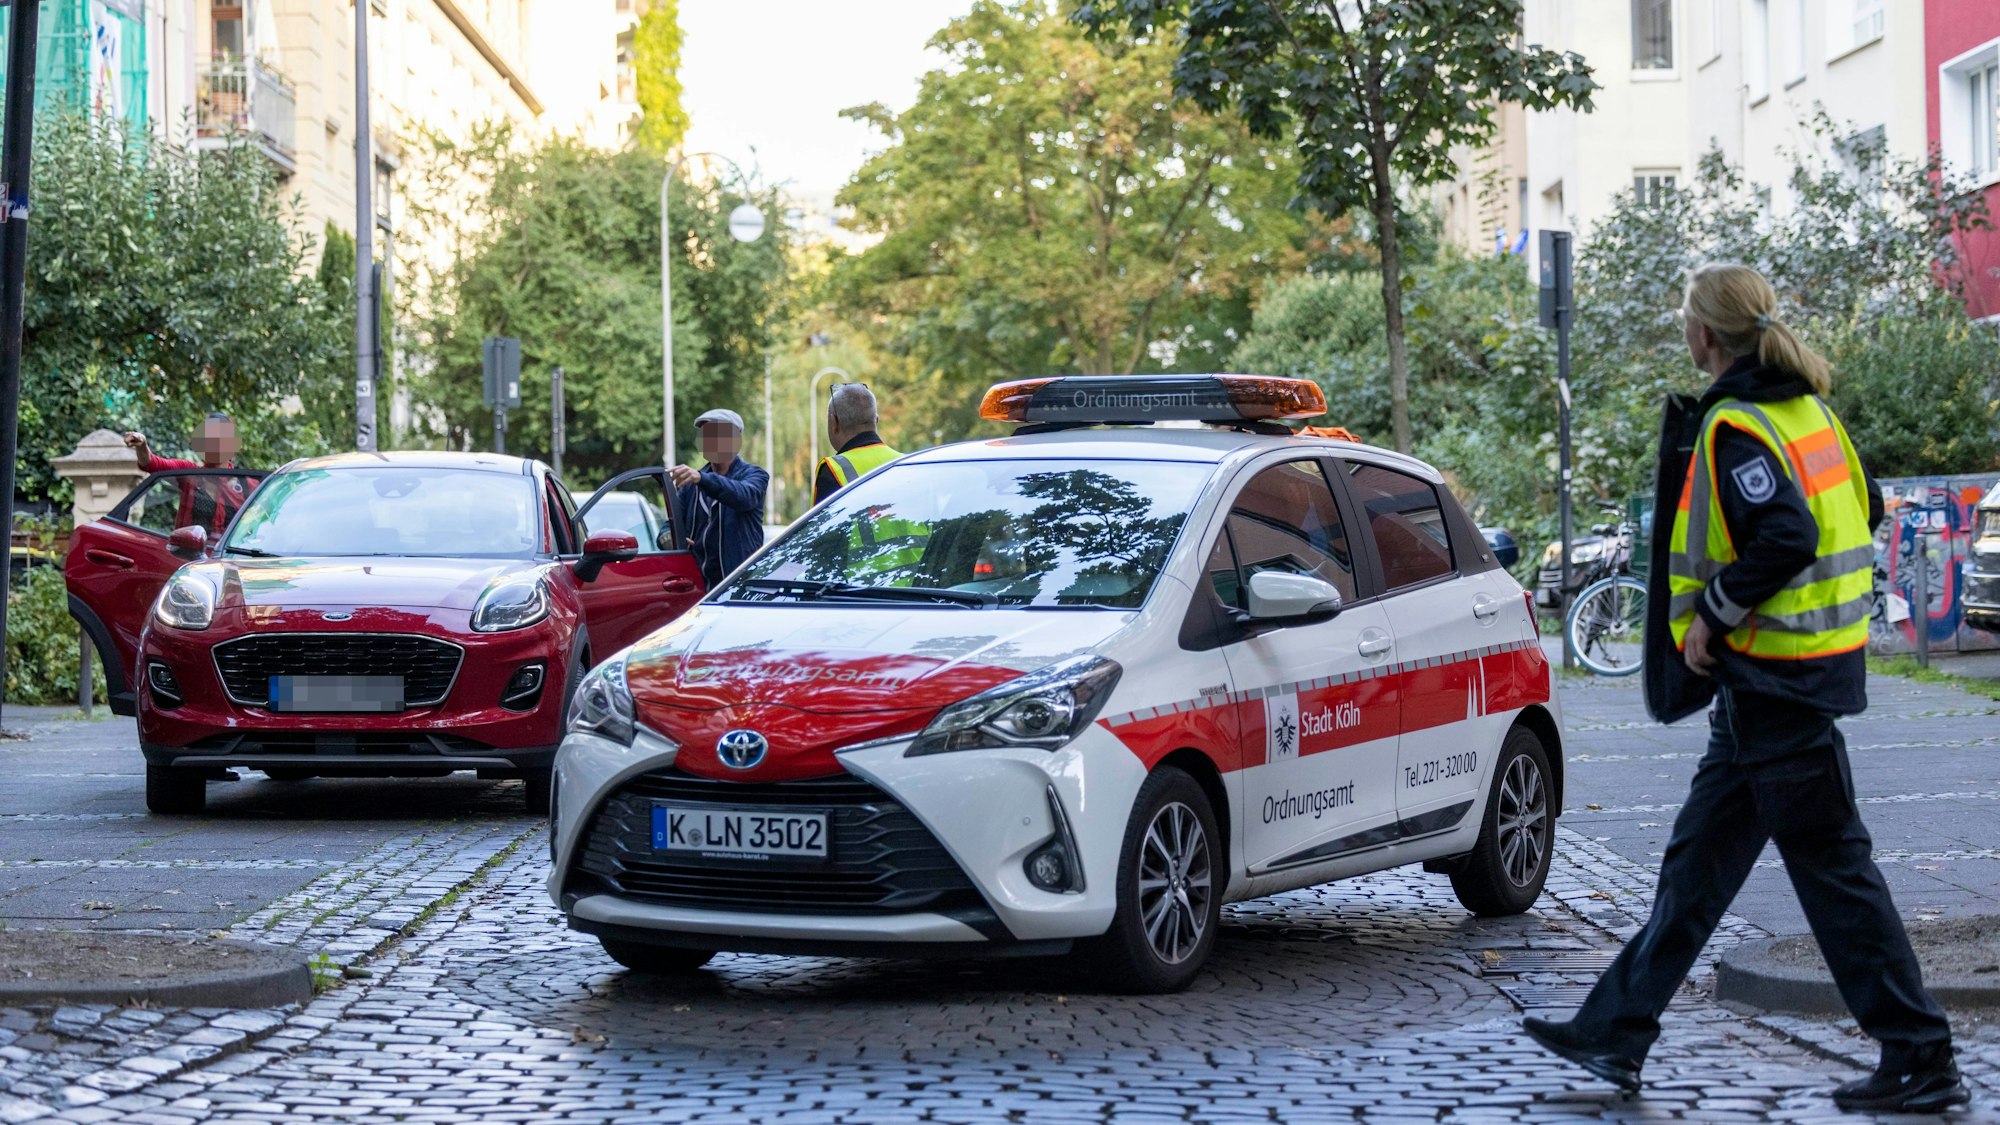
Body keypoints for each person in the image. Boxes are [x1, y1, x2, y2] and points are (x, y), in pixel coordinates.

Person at [1522, 263, 1967, 1114]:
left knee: (1836, 876)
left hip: (1777, 683)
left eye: (1686, 324)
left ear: (1704, 337)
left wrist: (1711, 616)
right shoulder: (1810, 410)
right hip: (1789, 678)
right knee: (1696, 869)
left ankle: (1920, 1053)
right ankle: (1617, 1027)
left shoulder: (1735, 425)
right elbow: (1862, 507)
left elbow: (1789, 534)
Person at [671, 409, 769, 589]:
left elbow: (743, 496)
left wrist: (702, 479)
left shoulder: (756, 475)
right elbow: (670, 525)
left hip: (740, 588)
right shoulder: (690, 485)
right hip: (697, 590)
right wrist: (668, 538)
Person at [123, 413, 250, 535]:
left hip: (230, 557)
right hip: (190, 556)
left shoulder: (248, 484)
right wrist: (142, 445)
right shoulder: (190, 474)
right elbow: (152, 464)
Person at [812, 383, 902, 505]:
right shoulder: (907, 462)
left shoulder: (833, 471)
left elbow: (821, 523)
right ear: (876, 420)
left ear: (834, 423)